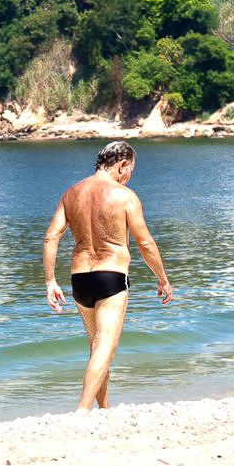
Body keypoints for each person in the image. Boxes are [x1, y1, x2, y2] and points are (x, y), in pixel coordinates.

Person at [42, 141, 173, 410]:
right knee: (105, 347)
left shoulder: (72, 193)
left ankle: (104, 407)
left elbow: (51, 237)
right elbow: (145, 243)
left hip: (79, 278)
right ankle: (83, 410)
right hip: (111, 276)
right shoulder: (124, 196)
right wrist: (162, 279)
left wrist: (50, 281)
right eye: (130, 171)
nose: (128, 178)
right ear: (122, 164)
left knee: (96, 345)